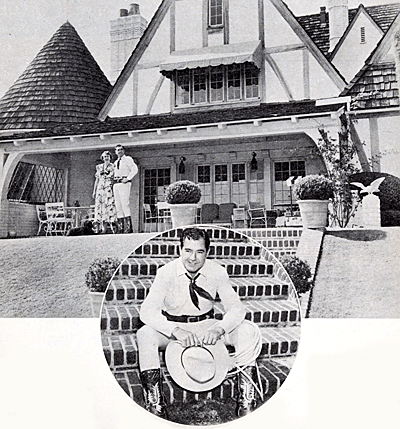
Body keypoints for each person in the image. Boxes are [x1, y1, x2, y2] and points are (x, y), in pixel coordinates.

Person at [137, 227, 262, 419]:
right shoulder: (166, 273)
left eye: (199, 251)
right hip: (175, 329)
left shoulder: (217, 272)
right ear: (180, 250)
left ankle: (246, 402)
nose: (193, 258)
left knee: (246, 330)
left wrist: (219, 329)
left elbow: (237, 309)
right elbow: (146, 311)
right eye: (187, 250)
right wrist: (175, 330)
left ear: (207, 252)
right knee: (145, 334)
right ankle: (155, 406)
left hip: (208, 325)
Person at [113, 145, 138, 233]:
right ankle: (121, 227)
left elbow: (134, 169)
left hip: (124, 183)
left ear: (123, 151)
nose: (119, 152)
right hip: (116, 183)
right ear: (115, 152)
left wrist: (128, 178)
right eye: (117, 150)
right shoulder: (116, 162)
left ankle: (128, 227)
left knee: (125, 204)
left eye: (120, 150)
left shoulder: (128, 159)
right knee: (118, 205)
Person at [92, 151, 117, 234]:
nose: (106, 158)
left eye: (108, 156)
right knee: (100, 207)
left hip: (108, 188)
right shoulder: (99, 167)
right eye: (105, 156)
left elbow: (114, 178)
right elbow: (97, 179)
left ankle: (108, 228)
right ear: (102, 158)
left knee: (108, 207)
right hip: (100, 188)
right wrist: (94, 191)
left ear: (110, 157)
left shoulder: (113, 166)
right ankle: (99, 228)